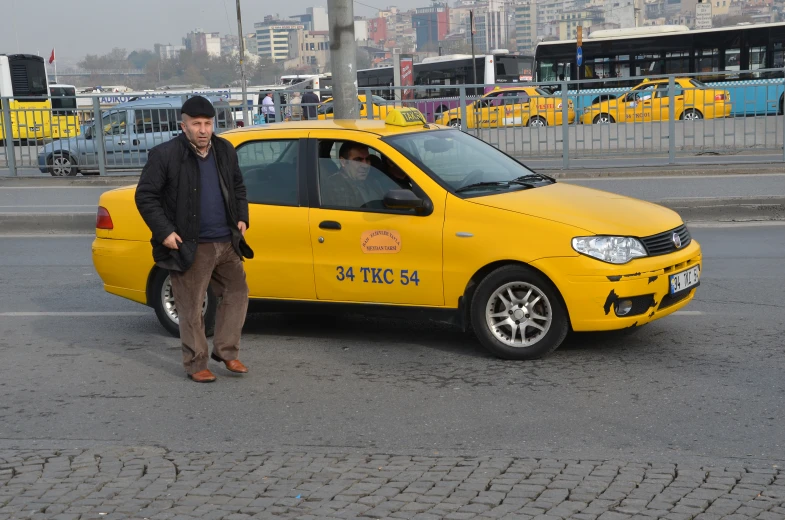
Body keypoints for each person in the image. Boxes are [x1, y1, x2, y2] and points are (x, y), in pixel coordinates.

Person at [135, 95, 254, 383]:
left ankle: (226, 351)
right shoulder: (165, 155)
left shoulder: (224, 150)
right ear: (183, 125)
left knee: (237, 293)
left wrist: (241, 216)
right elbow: (145, 196)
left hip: (227, 240)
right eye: (196, 124)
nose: (203, 130)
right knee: (191, 305)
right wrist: (164, 232)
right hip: (190, 244)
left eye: (208, 124)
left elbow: (237, 185)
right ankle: (196, 362)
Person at [321, 142, 392, 208]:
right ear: (343, 162)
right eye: (358, 160)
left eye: (367, 159)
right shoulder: (336, 185)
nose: (365, 165)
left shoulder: (372, 181)